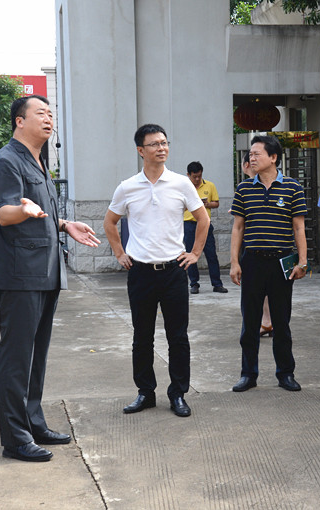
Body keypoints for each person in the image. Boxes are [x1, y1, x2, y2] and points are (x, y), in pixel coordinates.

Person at [0, 95, 101, 462]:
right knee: (16, 357)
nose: (49, 119)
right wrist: (22, 210)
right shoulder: (5, 161)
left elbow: (42, 213)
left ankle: (33, 421)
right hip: (21, 274)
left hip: (46, 271)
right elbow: (5, 213)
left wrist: (66, 224)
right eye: (41, 113)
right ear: (20, 121)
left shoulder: (37, 162)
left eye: (51, 114)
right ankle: (15, 439)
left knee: (36, 357)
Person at [103, 124, 209, 418]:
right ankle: (145, 393)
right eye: (155, 144)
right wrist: (120, 253)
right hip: (140, 273)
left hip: (174, 271)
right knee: (142, 336)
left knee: (178, 337)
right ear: (141, 151)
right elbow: (109, 222)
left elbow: (203, 219)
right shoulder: (127, 187)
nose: (162, 148)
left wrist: (195, 253)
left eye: (165, 143)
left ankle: (178, 394)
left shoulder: (181, 184)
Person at [230, 135, 308, 393]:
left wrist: (303, 261)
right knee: (249, 322)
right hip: (252, 260)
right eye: (250, 154)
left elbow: (298, 227)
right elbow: (237, 228)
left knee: (281, 322)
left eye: (256, 154)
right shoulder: (244, 189)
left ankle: (285, 373)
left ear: (273, 157)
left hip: (282, 262)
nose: (251, 158)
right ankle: (248, 374)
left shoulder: (293, 187)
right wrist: (234, 263)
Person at [240, 152, 273, 337]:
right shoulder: (245, 190)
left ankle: (267, 321)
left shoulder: (285, 186)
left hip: (267, 250)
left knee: (264, 291)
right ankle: (266, 321)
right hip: (254, 251)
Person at [183, 161, 228, 294]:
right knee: (190, 254)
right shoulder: (183, 187)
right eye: (194, 177)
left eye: (199, 176)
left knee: (211, 254)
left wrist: (207, 204)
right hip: (189, 224)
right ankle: (194, 284)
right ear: (188, 175)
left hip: (205, 224)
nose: (197, 179)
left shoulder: (210, 185)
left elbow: (217, 203)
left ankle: (217, 284)